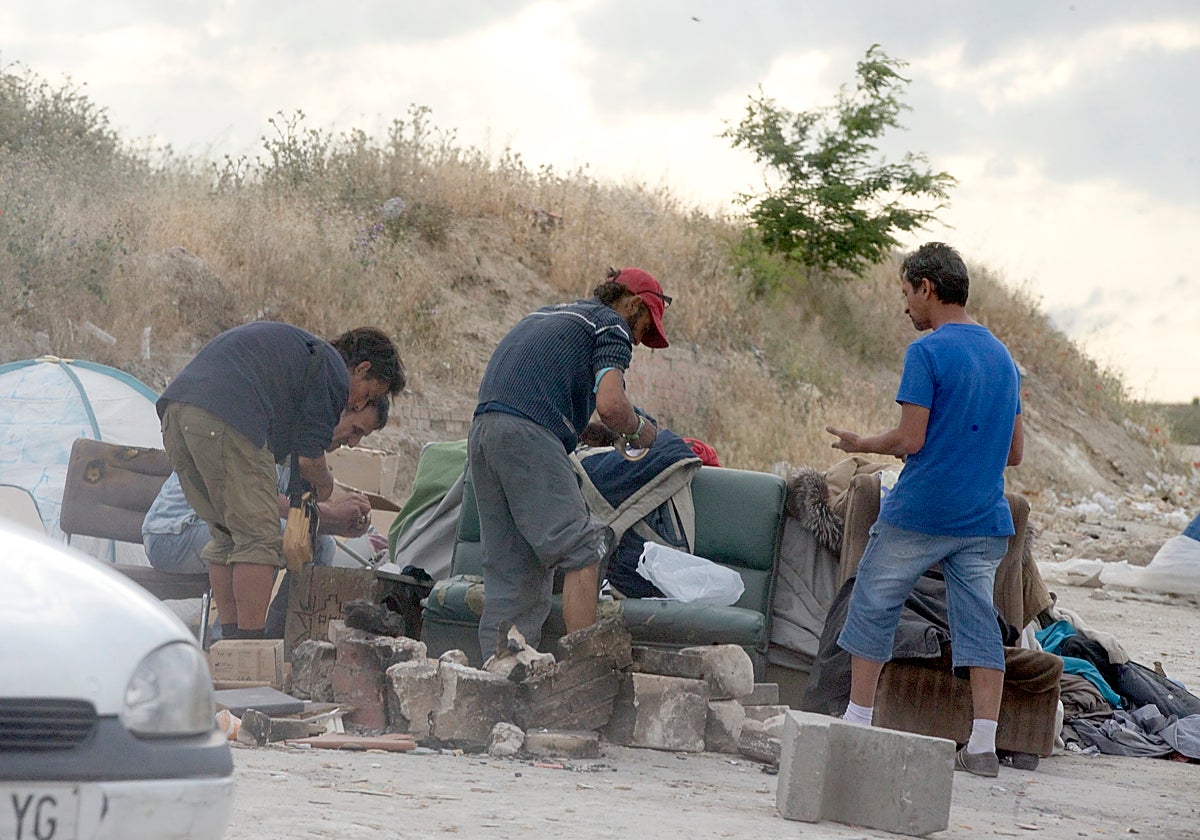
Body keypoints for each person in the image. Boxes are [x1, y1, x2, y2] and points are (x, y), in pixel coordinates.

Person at [824, 242, 1023, 778]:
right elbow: (1015, 453)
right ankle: (982, 745)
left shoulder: (927, 353)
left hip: (922, 512)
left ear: (927, 288)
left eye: (906, 292)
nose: (905, 305)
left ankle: (857, 720)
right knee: (979, 621)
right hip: (983, 518)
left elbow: (910, 438)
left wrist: (859, 441)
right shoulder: (1004, 358)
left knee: (873, 600)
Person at [469, 266, 670, 659]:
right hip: (527, 434)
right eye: (645, 327)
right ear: (631, 303)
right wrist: (638, 429)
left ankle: (499, 682)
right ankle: (588, 673)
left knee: (512, 577)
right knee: (585, 548)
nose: (641, 341)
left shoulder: (548, 315)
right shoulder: (609, 324)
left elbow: (529, 393)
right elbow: (612, 405)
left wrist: (586, 430)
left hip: (485, 433)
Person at [157, 322, 405, 640]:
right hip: (226, 417)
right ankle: (249, 650)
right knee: (259, 540)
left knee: (225, 536)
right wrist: (326, 487)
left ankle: (229, 646)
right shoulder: (332, 369)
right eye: (366, 395)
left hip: (178, 412)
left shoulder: (303, 360)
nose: (354, 404)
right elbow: (308, 459)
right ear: (362, 369)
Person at [143, 396, 390, 638]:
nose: (354, 443)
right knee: (268, 534)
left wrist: (339, 525)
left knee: (321, 544)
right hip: (174, 533)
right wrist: (330, 512)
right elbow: (255, 502)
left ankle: (284, 641)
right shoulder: (271, 427)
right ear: (341, 410)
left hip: (229, 529)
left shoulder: (303, 448)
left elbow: (294, 515)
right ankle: (231, 644)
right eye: (355, 430)